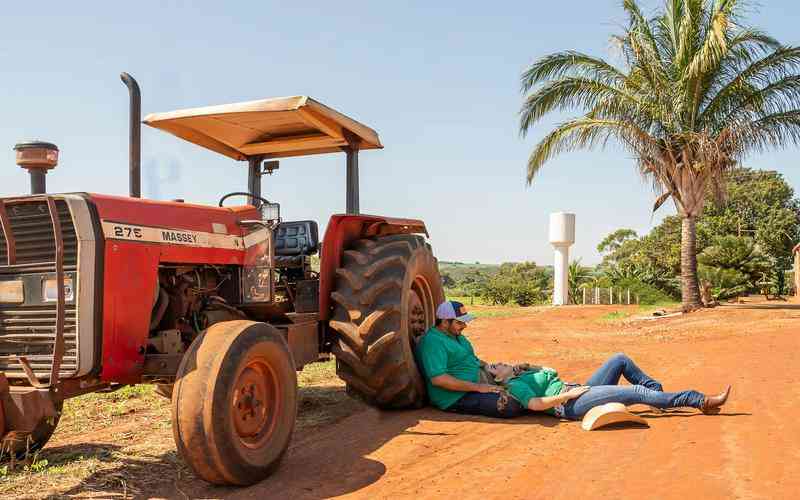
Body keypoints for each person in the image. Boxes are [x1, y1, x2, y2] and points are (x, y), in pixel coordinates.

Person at [415, 300, 731, 420]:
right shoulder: (513, 389)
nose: (465, 324)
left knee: (619, 359)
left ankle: (657, 395)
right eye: (460, 322)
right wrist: (569, 394)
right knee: (633, 393)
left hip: (574, 388)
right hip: (570, 402)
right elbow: (538, 404)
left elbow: (483, 365)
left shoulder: (501, 367)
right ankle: (698, 400)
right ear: (444, 321)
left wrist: (532, 368)